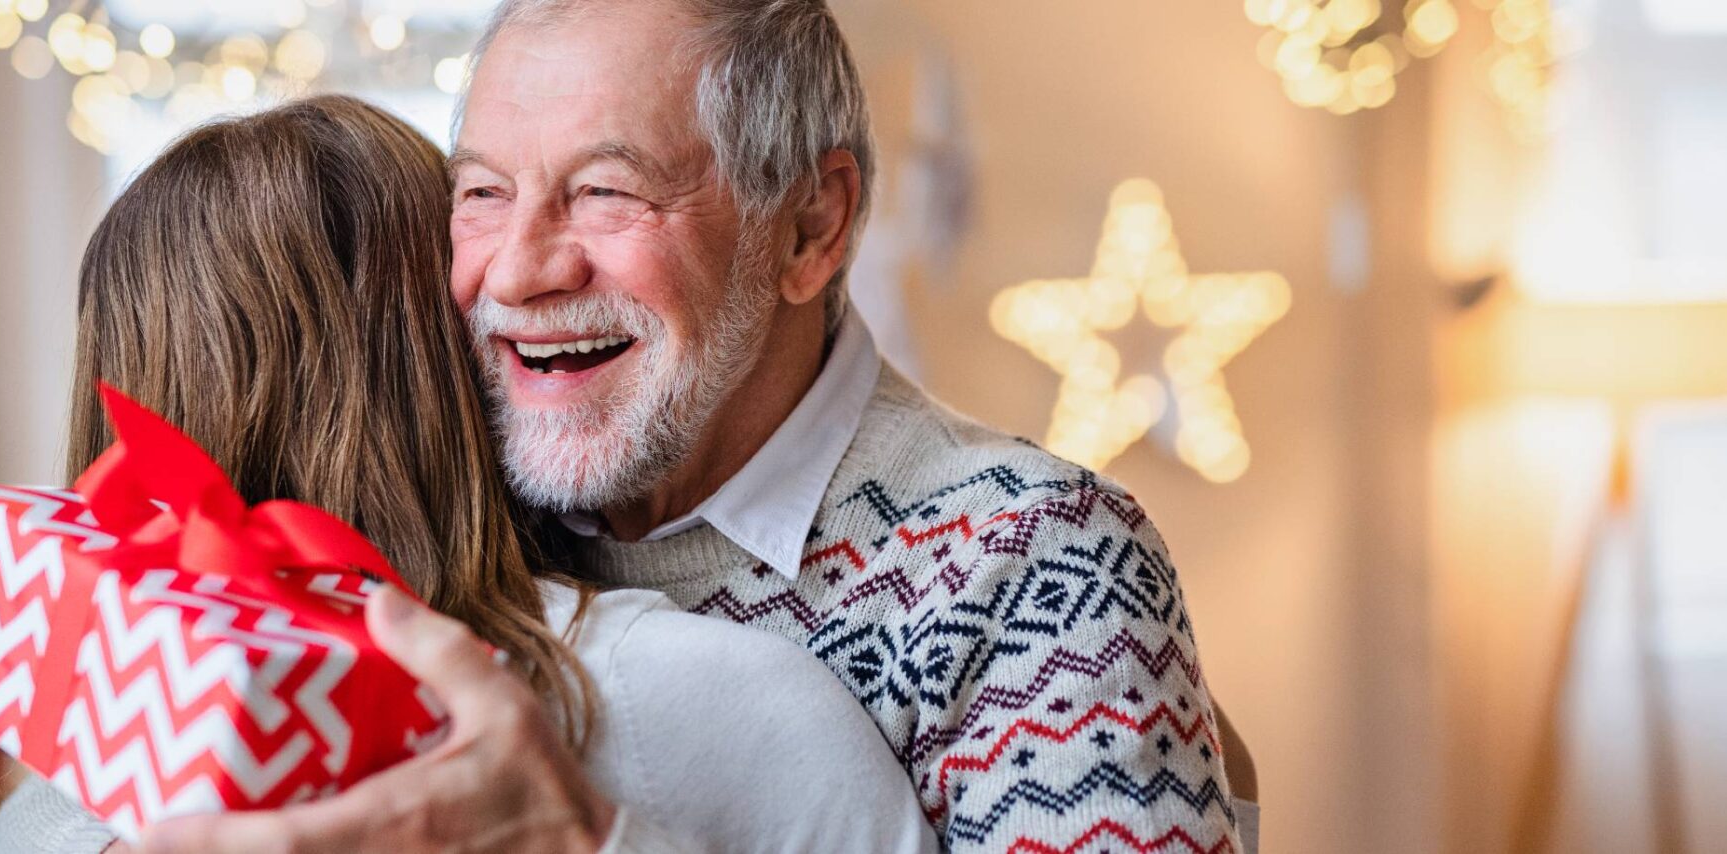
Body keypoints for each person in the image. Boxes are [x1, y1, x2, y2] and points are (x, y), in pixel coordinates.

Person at [143, 0, 1261, 852]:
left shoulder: (1036, 560)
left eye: (606, 192)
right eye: (481, 193)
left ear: (809, 227)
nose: (520, 271)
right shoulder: (434, 487)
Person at [0, 94, 939, 854]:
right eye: (480, 210)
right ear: (438, 352)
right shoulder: (696, 696)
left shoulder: (79, 766)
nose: (518, 281)